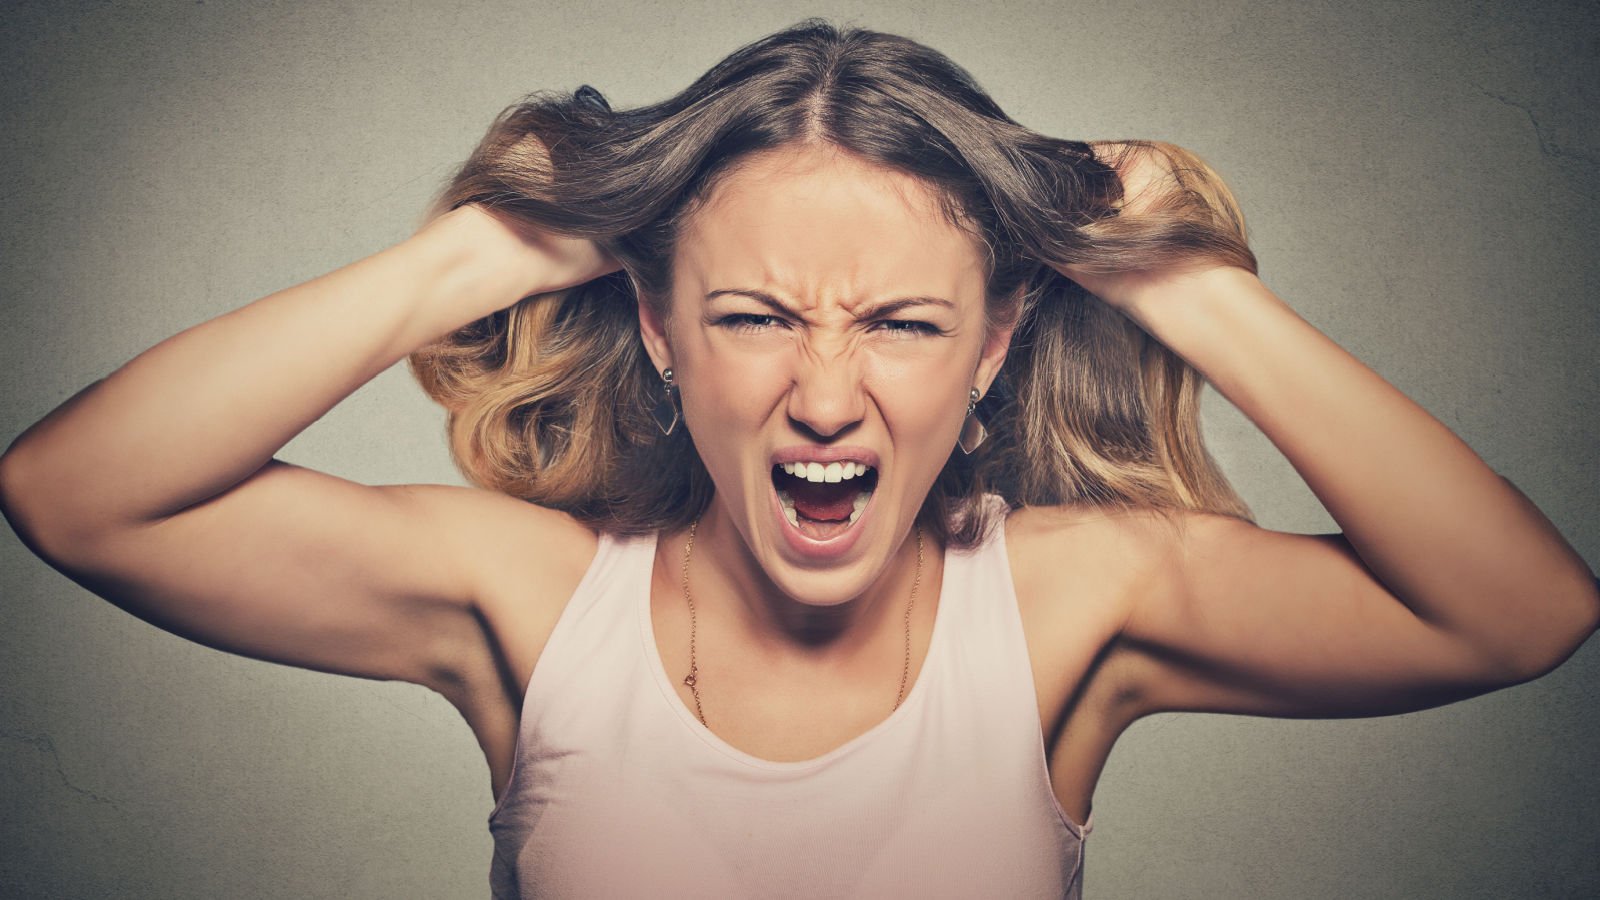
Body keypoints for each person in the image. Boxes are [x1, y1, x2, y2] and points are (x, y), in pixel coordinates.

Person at [1, 18, 1594, 899]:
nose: (825, 398)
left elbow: (1519, 612)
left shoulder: (1064, 608)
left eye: (901, 324)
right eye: (758, 316)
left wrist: (1182, 289)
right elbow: (74, 493)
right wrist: (461, 260)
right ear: (658, 329)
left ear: (990, 347)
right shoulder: (535, 600)